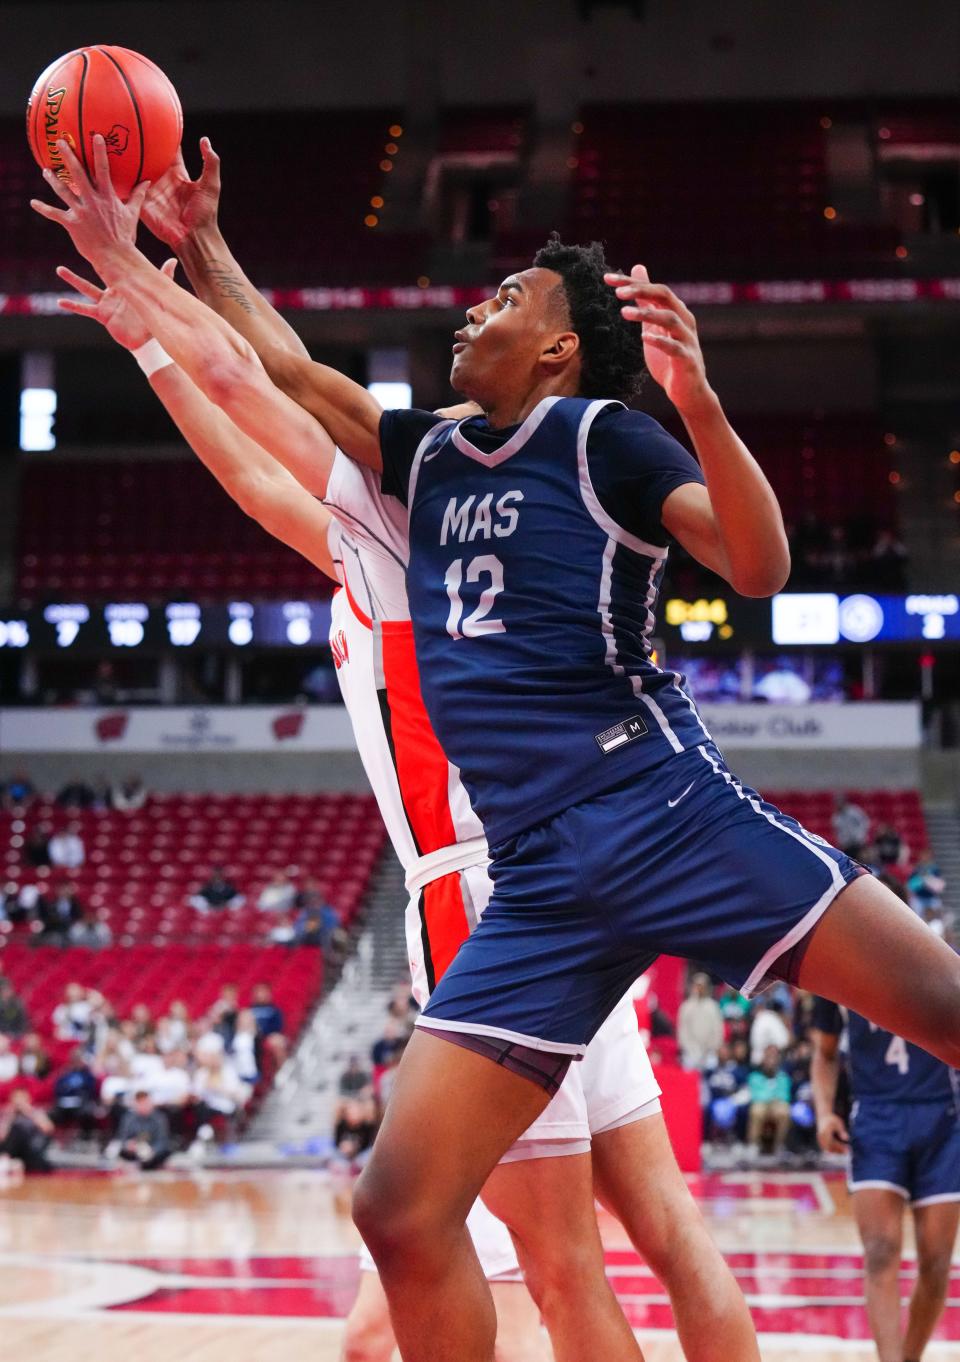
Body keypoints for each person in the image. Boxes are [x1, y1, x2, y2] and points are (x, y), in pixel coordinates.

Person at [48, 131, 960, 1359]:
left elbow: (758, 565)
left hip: (651, 808)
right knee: (403, 1209)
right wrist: (193, 246)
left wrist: (700, 406)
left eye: (509, 296)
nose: (476, 303)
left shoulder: (595, 442)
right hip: (532, 877)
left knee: (939, 1010)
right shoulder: (420, 461)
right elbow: (278, 369)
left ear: (560, 348)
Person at [812, 995, 960, 1362]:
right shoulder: (837, 964)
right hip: (876, 1118)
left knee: (937, 1261)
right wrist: (824, 1113)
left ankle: (909, 1358)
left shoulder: (947, 961)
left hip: (943, 1116)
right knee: (880, 1251)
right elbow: (824, 1053)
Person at [107, 1090, 172, 1171]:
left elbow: (163, 1141)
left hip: (153, 1152)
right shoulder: (128, 1118)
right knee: (120, 1151)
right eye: (141, 1103)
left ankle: (150, 1164)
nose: (145, 1106)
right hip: (134, 1152)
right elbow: (122, 1138)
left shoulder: (160, 1118)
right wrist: (129, 1145)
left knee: (165, 1152)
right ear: (136, 1104)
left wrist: (152, 1151)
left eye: (147, 1103)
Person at [746, 1044, 793, 1154]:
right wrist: (771, 1096)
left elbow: (785, 1095)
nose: (771, 1060)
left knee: (784, 1112)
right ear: (764, 1058)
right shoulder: (755, 1076)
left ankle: (780, 1145)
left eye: (774, 1057)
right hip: (761, 1104)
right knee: (757, 1111)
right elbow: (755, 1095)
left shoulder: (783, 1077)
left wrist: (772, 1097)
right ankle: (753, 1145)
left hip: (777, 1104)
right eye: (768, 1057)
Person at [677, 972, 723, 1069]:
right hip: (690, 1051)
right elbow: (683, 1029)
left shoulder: (712, 1006)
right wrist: (689, 1047)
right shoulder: (687, 1006)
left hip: (708, 1051)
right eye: (697, 985)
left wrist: (712, 1047)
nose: (700, 989)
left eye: (702, 986)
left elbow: (717, 1029)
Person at [749, 997, 791, 1065]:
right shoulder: (769, 1018)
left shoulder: (763, 1017)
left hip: (758, 1058)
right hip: (766, 1060)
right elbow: (785, 1042)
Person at [832, 794, 871, 860]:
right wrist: (842, 842)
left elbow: (865, 822)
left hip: (858, 842)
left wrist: (861, 836)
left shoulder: (854, 811)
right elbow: (838, 831)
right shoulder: (836, 817)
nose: (839, 804)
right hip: (846, 845)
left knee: (860, 862)